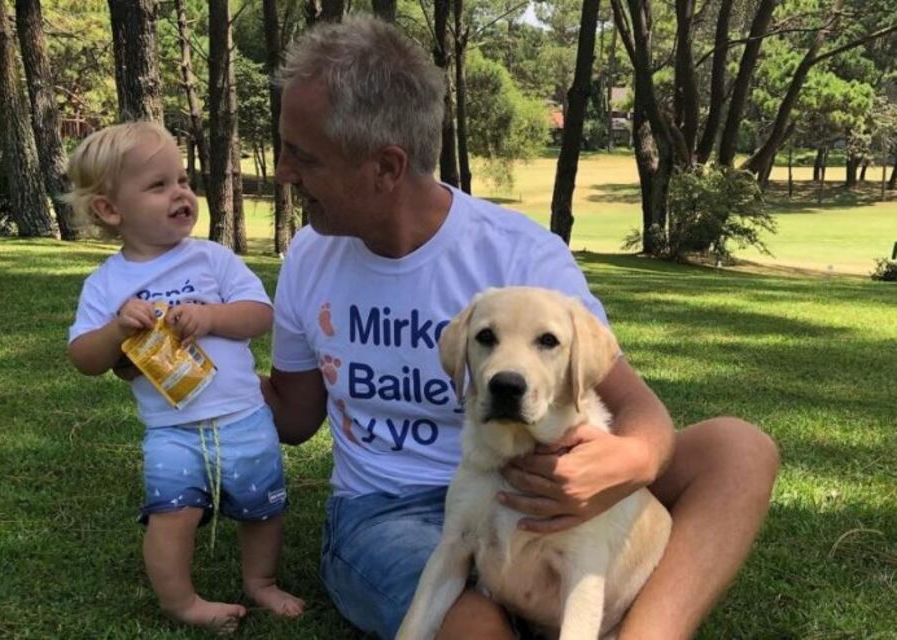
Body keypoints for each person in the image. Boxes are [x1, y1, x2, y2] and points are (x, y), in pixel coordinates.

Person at [263, 16, 779, 640]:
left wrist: (623, 465)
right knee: (472, 627)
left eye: (303, 155)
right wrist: (194, 365)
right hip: (390, 510)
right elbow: (294, 418)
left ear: (386, 166)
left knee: (739, 450)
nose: (285, 171)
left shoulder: (518, 257)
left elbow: (637, 408)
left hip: (546, 470)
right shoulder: (309, 259)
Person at [64, 122, 304, 634]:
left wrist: (212, 317)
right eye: (158, 185)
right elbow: (83, 356)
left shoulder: (213, 259)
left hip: (244, 417)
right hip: (171, 431)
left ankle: (260, 582)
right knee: (171, 515)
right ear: (111, 210)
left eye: (183, 180)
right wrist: (116, 331)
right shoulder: (108, 284)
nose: (181, 193)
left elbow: (260, 312)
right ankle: (182, 601)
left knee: (262, 510)